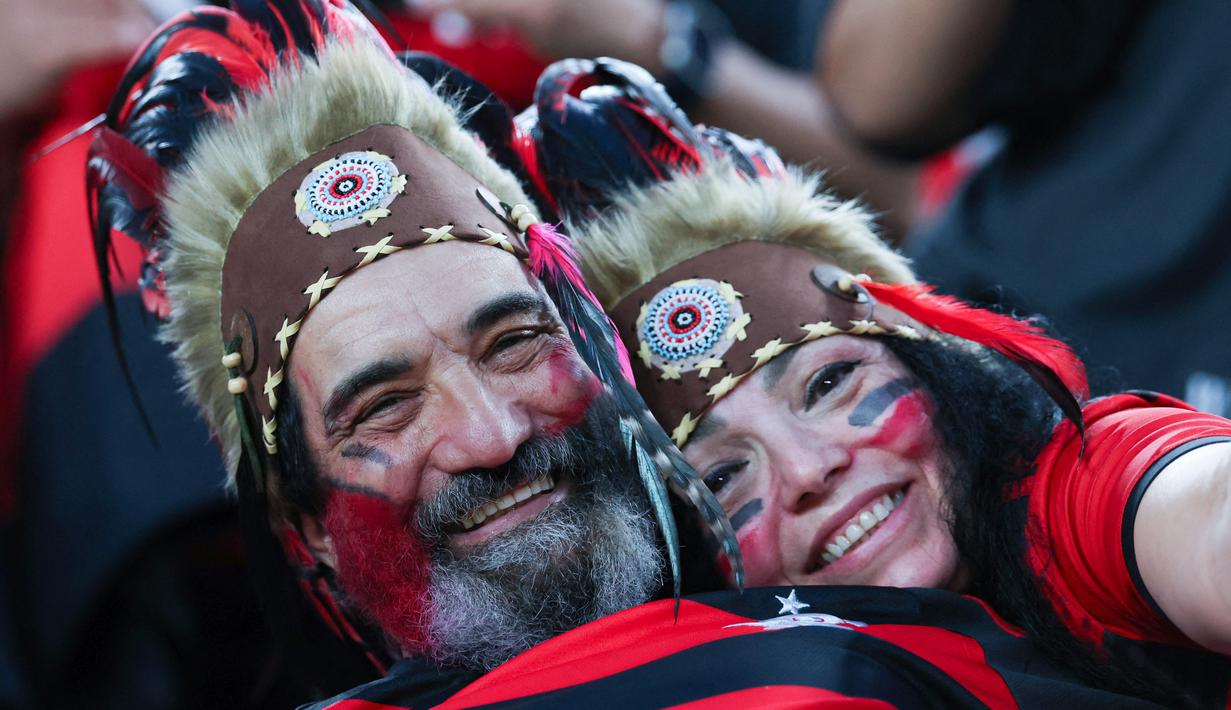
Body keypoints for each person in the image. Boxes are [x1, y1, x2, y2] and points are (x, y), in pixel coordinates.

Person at [546, 59, 1231, 705]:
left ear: (930, 362)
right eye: (721, 477)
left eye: (828, 384)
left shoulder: (1073, 491)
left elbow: (1198, 509)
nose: (808, 469)